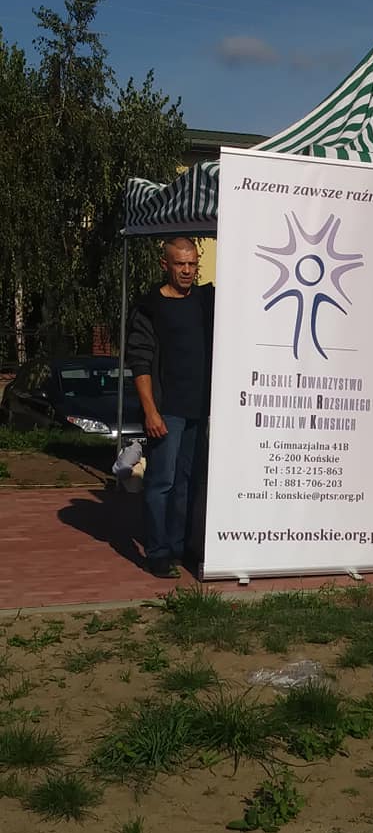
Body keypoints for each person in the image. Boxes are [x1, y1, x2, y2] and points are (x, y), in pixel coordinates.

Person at [126, 237, 214, 578]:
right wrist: (150, 411)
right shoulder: (150, 307)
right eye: (180, 264)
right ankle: (158, 552)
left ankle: (180, 547)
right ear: (165, 265)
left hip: (199, 409)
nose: (187, 270)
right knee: (161, 481)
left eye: (192, 263)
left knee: (187, 482)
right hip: (167, 411)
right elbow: (140, 361)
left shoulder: (206, 301)